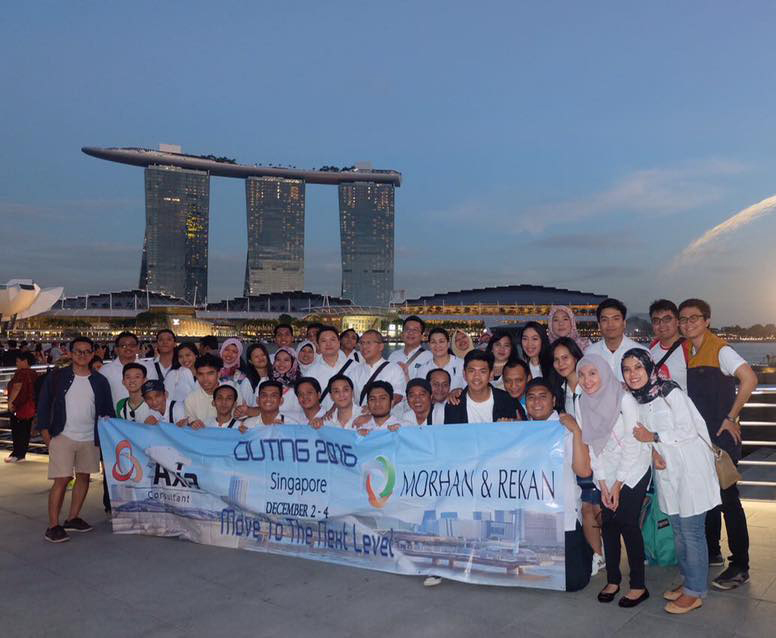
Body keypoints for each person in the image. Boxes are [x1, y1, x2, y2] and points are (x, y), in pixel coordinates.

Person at [621, 348, 721, 613]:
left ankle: (695, 591)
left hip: (691, 468)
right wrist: (654, 450)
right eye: (627, 369)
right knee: (678, 531)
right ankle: (689, 581)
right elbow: (642, 435)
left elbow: (688, 430)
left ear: (649, 368)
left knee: (691, 531)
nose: (632, 374)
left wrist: (654, 437)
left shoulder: (669, 391)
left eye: (638, 367)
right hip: (667, 471)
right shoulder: (637, 399)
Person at [679, 298, 758, 590]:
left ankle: (740, 566)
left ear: (707, 320)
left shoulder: (720, 349)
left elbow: (749, 378)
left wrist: (731, 416)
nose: (688, 323)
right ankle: (712, 551)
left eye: (694, 318)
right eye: (683, 319)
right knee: (708, 498)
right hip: (701, 440)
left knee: (728, 501)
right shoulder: (690, 350)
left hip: (721, 440)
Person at [576, 353, 651, 607]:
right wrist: (602, 482)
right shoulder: (583, 402)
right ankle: (613, 579)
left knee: (627, 523)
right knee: (608, 523)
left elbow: (632, 442)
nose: (587, 380)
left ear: (605, 373)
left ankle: (638, 585)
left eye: (593, 373)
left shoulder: (624, 399)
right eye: (582, 375)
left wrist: (618, 483)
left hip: (634, 467)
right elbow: (591, 444)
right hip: (606, 470)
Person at [37, 336, 115, 543]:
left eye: (87, 351)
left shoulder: (100, 381)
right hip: (63, 435)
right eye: (78, 351)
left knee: (84, 477)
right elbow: (43, 404)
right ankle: (53, 525)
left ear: (93, 354)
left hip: (90, 437)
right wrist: (45, 433)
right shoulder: (57, 377)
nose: (82, 355)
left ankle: (73, 517)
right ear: (70, 353)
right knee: (62, 479)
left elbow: (108, 410)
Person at [551, 337, 603, 571]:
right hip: (577, 456)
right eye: (556, 360)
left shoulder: (591, 386)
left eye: (565, 357)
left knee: (599, 508)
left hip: (599, 455)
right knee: (586, 506)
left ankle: (606, 550)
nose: (561, 363)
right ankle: (598, 555)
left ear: (576, 357)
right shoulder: (560, 392)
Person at [444, 351, 521, 424]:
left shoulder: (508, 401)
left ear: (491, 375)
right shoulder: (454, 405)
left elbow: (523, 427)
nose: (476, 376)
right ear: (464, 374)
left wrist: (517, 424)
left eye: (482, 372)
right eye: (471, 371)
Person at [585, 299, 647, 381]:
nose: (610, 324)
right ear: (599, 325)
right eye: (605, 320)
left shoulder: (641, 352)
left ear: (624, 323)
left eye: (616, 319)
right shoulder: (590, 353)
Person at [185, 354, 242, 429]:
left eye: (210, 374)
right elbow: (190, 425)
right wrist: (192, 424)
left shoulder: (232, 393)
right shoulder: (191, 399)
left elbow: (242, 421)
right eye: (200, 374)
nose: (205, 379)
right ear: (196, 375)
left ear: (219, 374)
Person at [351, 330, 406, 408]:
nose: (364, 347)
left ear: (381, 347)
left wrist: (374, 408)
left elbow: (398, 395)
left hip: (388, 415)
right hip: (360, 414)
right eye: (362, 343)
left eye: (369, 343)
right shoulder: (354, 371)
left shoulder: (394, 369)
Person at [99, 331, 155, 406]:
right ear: (116, 349)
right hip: (114, 412)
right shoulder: (105, 370)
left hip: (144, 412)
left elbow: (154, 394)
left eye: (132, 345)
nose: (128, 348)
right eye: (123, 346)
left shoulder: (149, 368)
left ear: (138, 347)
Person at [649, 299, 689, 390]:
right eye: (656, 321)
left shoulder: (689, 350)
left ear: (677, 321)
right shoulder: (651, 349)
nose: (661, 325)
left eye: (667, 319)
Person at [5, 351, 38, 463]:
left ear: (25, 361)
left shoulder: (21, 373)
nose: (17, 363)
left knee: (17, 430)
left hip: (19, 407)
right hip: (30, 406)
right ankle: (21, 454)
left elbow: (16, 388)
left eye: (18, 361)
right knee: (25, 431)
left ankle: (17, 453)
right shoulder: (33, 373)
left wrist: (10, 403)